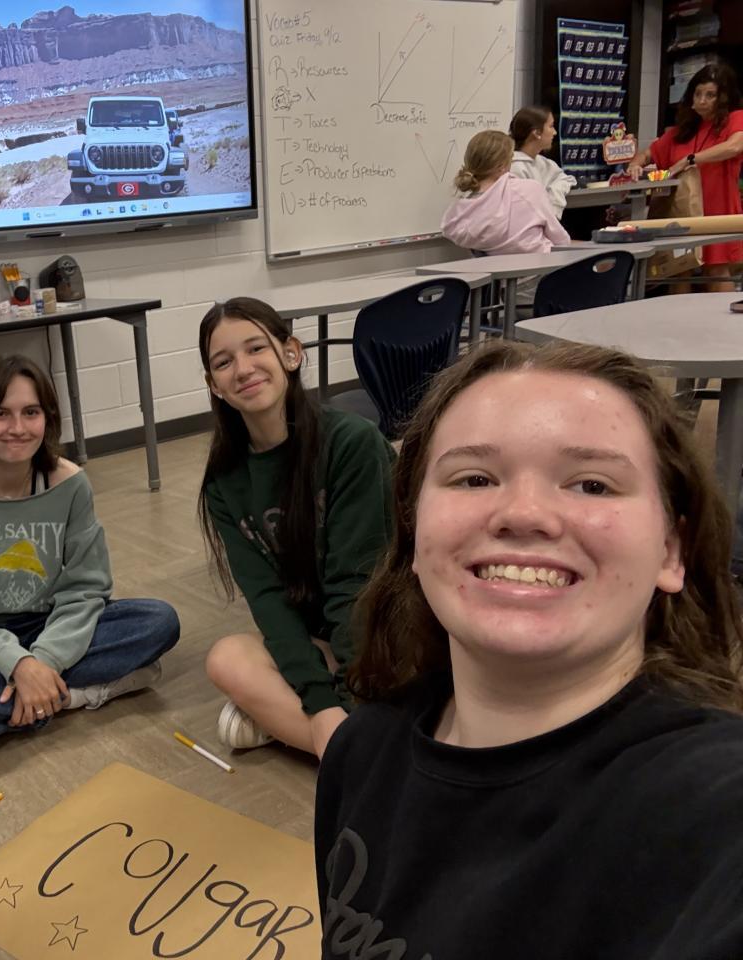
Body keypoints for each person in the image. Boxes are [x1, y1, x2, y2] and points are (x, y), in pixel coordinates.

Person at [315, 340, 743, 959]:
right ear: (413, 531)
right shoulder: (360, 752)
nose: (524, 513)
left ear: (670, 551)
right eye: (475, 478)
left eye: (592, 484)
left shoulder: (713, 808)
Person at [0, 354, 179, 759]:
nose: (18, 428)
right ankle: (72, 696)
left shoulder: (70, 484)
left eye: (31, 412)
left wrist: (44, 659)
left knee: (158, 621)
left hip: (49, 624)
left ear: (48, 419)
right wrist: (18, 664)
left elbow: (86, 589)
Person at [197, 297, 393, 759]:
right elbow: (267, 599)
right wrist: (321, 702)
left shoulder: (350, 442)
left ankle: (327, 735)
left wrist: (346, 696)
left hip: (383, 628)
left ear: (290, 353)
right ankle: (354, 750)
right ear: (214, 385)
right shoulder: (224, 482)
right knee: (226, 658)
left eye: (256, 349)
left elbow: (357, 585)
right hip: (323, 639)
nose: (243, 369)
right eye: (224, 362)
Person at [628, 62, 743, 292]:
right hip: (682, 210)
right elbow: (648, 153)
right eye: (698, 94)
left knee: (716, 269)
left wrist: (689, 160)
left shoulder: (735, 119)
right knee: (679, 268)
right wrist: (634, 165)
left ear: (723, 98)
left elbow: (734, 146)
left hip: (717, 209)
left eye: (710, 95)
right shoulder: (681, 131)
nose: (702, 100)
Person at [442, 129, 571, 259]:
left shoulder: (461, 215)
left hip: (495, 271)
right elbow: (560, 240)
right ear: (501, 165)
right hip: (544, 267)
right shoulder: (529, 190)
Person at [509, 105, 575, 217]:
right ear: (536, 133)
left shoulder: (544, 163)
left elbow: (566, 179)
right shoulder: (514, 167)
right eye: (551, 126)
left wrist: (555, 195)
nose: (555, 132)